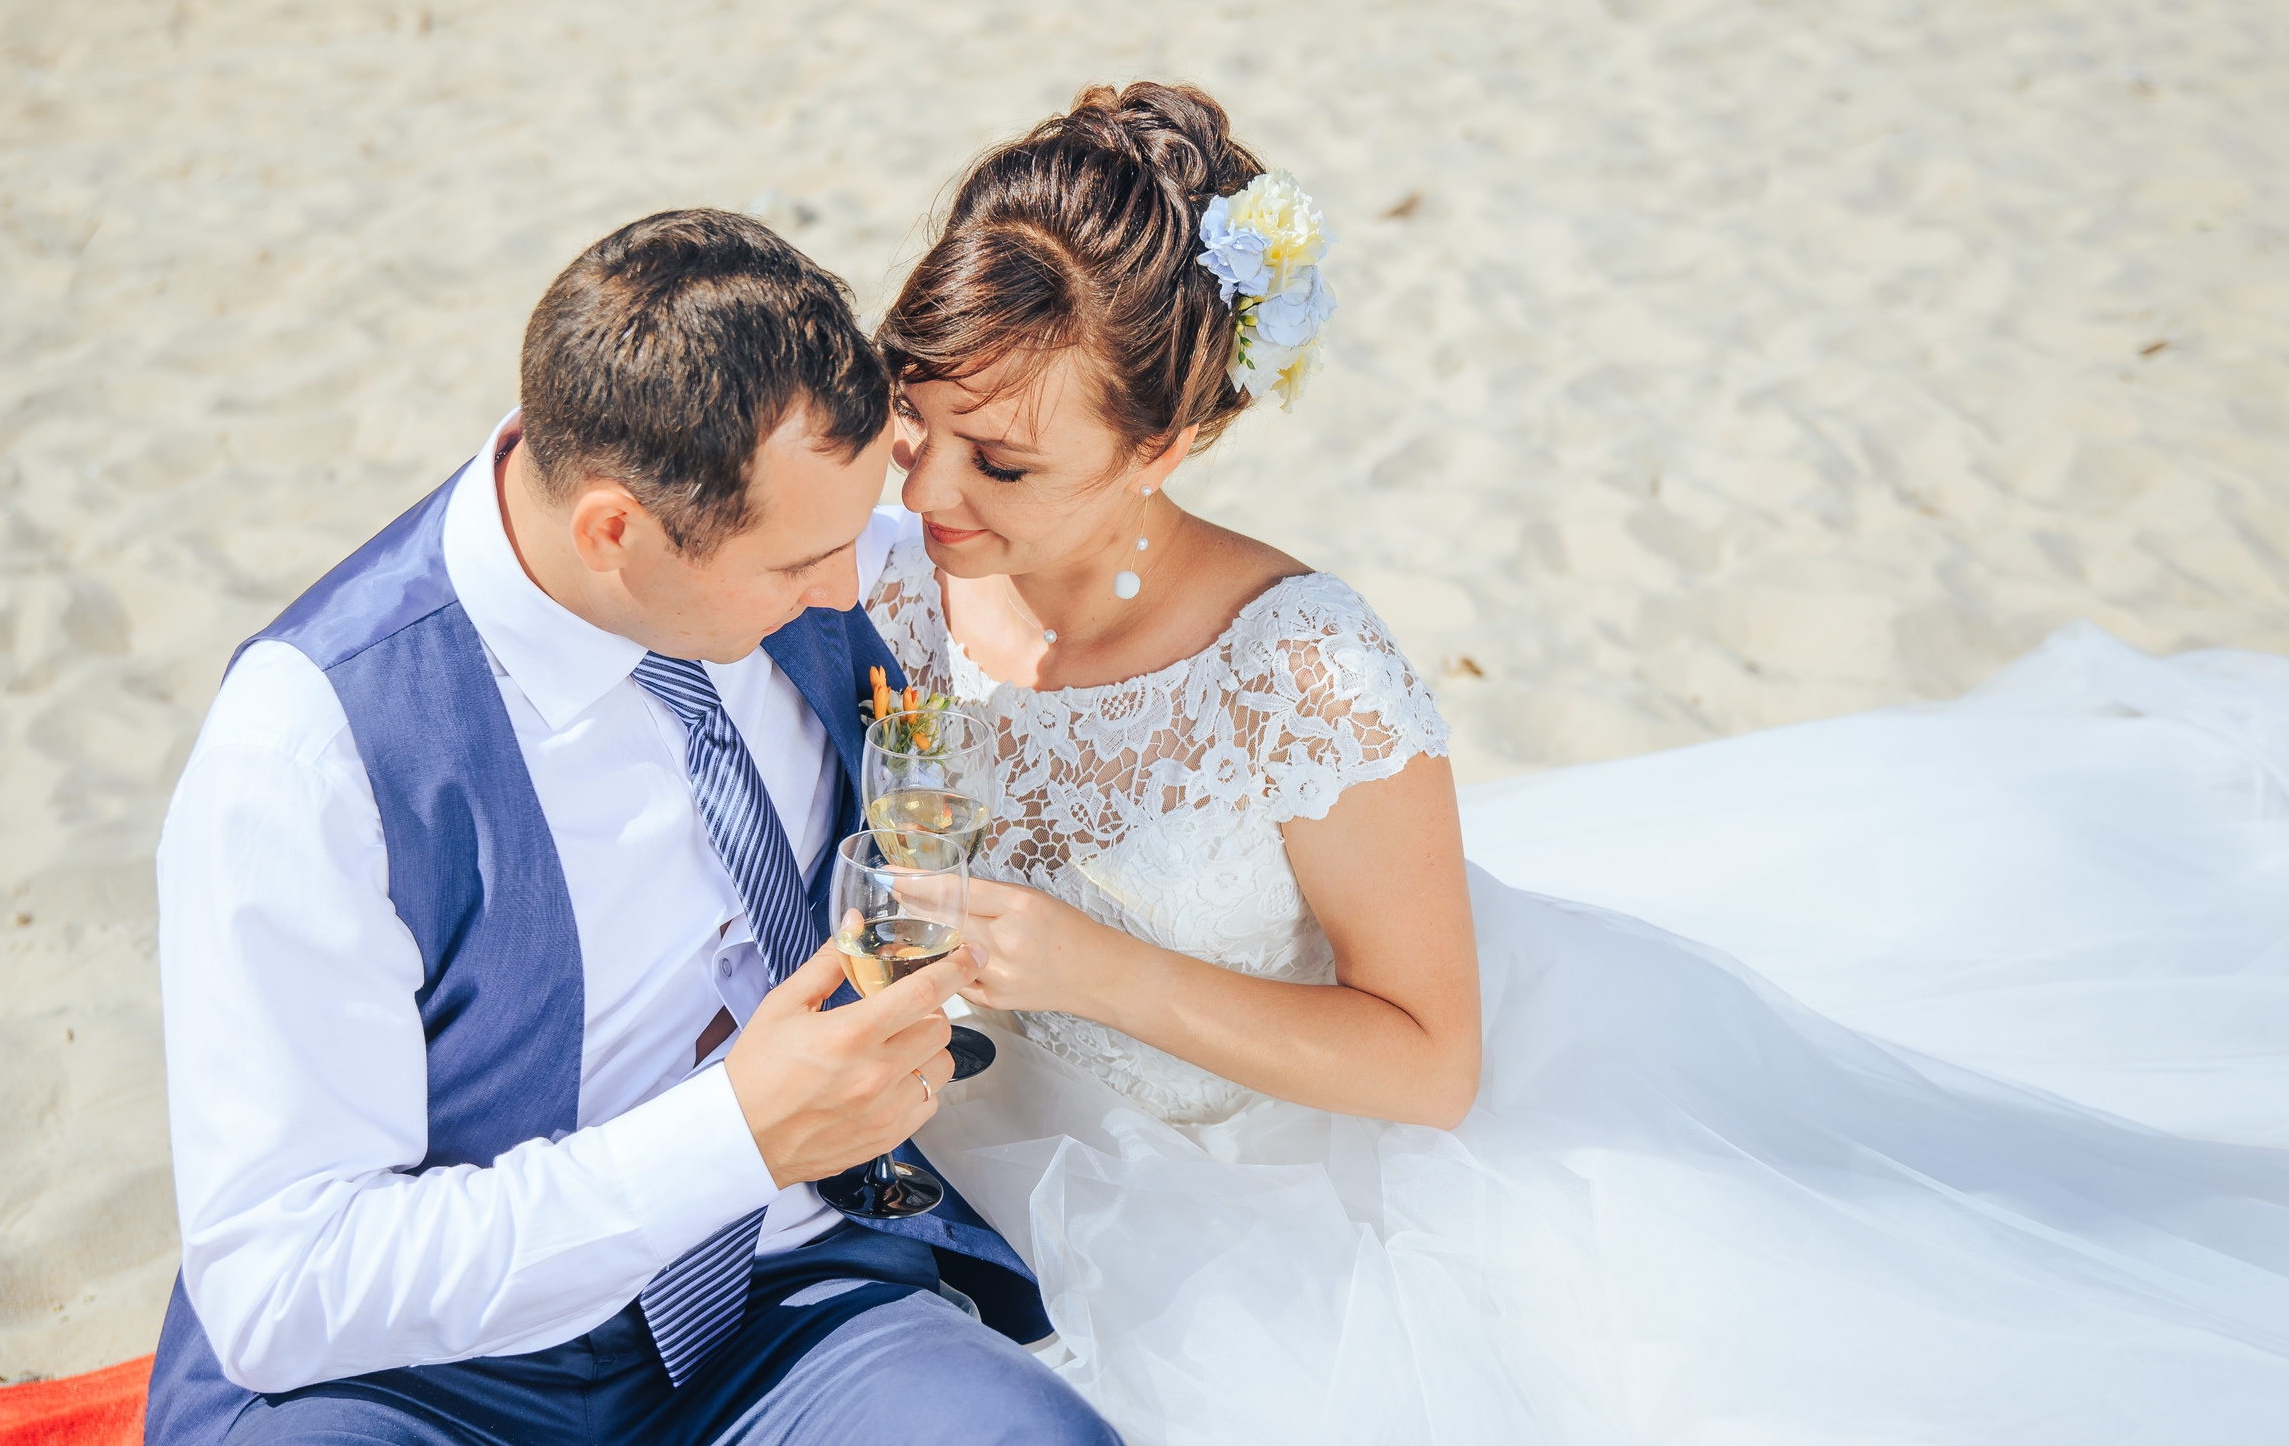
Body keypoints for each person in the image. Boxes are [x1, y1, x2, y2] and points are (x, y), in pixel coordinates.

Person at [864, 83, 2289, 1442]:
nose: (926, 490)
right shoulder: (889, 575)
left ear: (1165, 441)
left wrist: (1094, 970)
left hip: (1308, 1183)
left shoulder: (1298, 672)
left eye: (1001, 464)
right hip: (994, 1142)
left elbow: (1433, 1065)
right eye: (909, 418)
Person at [148, 209, 1119, 1446]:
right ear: (614, 530)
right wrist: (730, 1138)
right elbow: (282, 1285)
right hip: (419, 1380)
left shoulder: (790, 553)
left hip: (784, 1307)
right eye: (800, 561)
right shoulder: (308, 746)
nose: (849, 586)